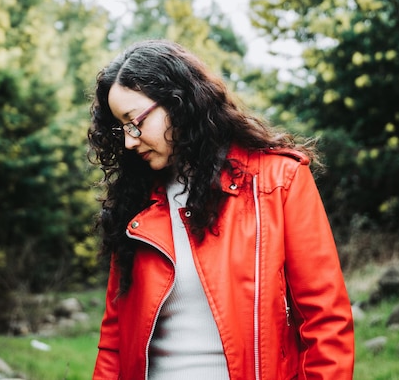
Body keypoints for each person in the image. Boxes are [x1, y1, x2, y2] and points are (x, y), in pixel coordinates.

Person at [88, 38, 354, 380]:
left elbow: (326, 322)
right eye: (121, 127)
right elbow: (114, 342)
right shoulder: (134, 205)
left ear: (178, 102)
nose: (129, 139)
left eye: (134, 121)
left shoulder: (279, 180)